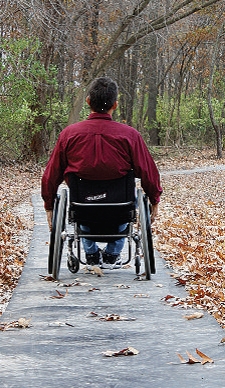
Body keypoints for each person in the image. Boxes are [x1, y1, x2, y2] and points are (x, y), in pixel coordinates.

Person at [41, 76, 162, 269]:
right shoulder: (130, 135)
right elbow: (148, 171)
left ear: (88, 101)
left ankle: (90, 253)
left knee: (84, 208)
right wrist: (154, 199)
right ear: (115, 104)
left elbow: (51, 174)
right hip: (120, 208)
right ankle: (113, 254)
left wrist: (49, 206)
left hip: (83, 207)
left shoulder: (69, 135)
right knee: (123, 207)